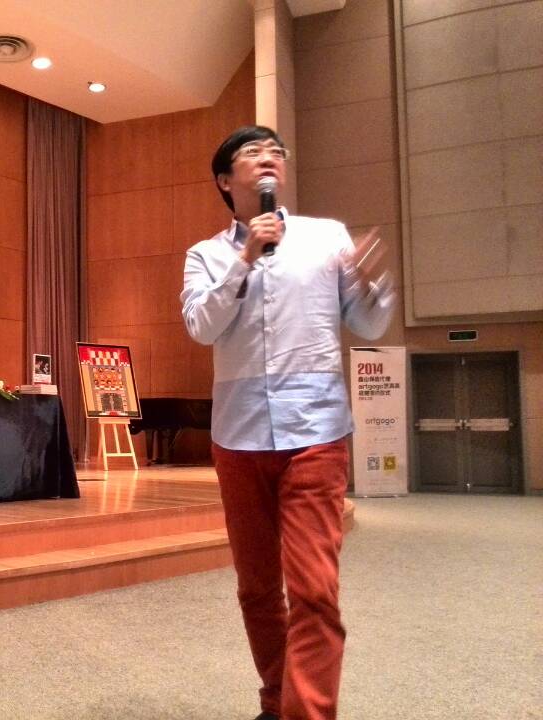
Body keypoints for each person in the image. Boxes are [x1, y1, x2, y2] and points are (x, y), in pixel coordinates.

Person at [180, 125, 394, 720]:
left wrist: (371, 284)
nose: (269, 158)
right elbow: (201, 327)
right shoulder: (205, 255)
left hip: (316, 433)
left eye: (276, 151)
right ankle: (277, 701)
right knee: (256, 589)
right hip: (239, 437)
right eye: (252, 153)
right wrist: (245, 258)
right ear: (225, 181)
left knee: (314, 590)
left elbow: (370, 325)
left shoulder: (326, 237)